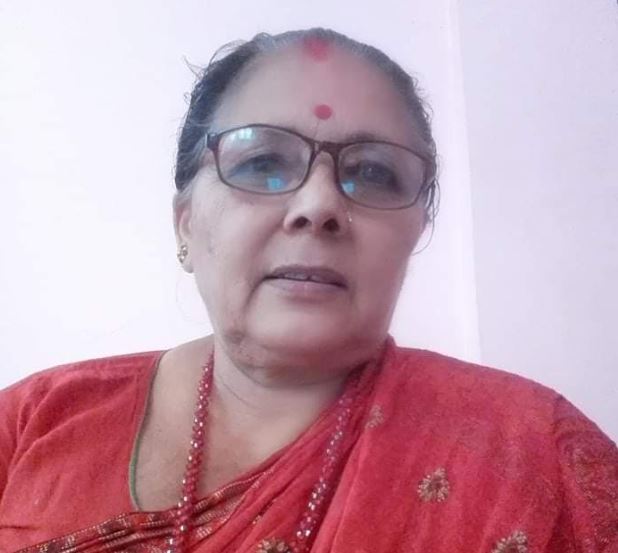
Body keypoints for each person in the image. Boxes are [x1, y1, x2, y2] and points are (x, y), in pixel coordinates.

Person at [0, 27, 616, 553]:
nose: (318, 205)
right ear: (185, 223)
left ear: (416, 232)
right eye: (262, 162)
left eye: (372, 172)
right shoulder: (33, 422)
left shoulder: (539, 455)